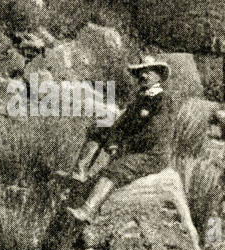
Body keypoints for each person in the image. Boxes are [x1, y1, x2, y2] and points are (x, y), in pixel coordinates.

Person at [65, 56, 175, 223]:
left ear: (159, 76)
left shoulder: (162, 99)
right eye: (140, 73)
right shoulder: (140, 98)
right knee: (100, 127)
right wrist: (113, 141)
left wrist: (123, 146)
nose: (143, 76)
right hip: (134, 148)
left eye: (148, 72)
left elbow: (153, 133)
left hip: (152, 155)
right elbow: (119, 125)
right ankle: (80, 172)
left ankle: (88, 211)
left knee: (116, 169)